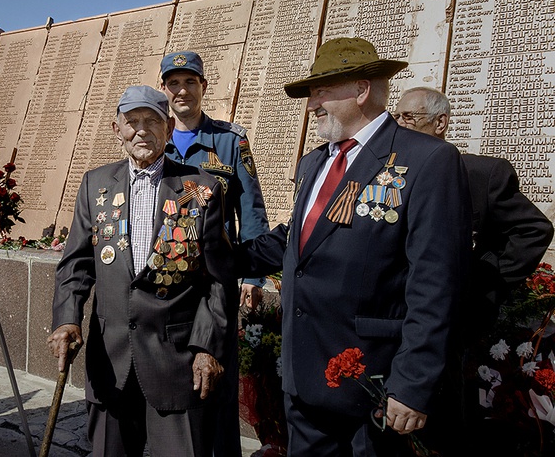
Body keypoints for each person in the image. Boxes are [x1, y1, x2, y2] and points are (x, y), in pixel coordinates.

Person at [236, 37, 472, 456]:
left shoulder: (428, 160)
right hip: (304, 380)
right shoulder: (313, 163)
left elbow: (436, 283)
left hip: (374, 387)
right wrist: (213, 256)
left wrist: (413, 383)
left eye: (322, 91)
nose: (312, 105)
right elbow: (298, 242)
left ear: (362, 90)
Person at [47, 85, 236, 457]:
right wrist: (67, 318)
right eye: (132, 122)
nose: (142, 130)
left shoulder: (200, 188)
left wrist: (205, 347)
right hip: (110, 363)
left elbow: (218, 279)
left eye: (151, 120)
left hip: (178, 362)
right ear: (117, 130)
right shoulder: (95, 185)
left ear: (168, 126)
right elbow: (76, 264)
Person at [395, 86, 554, 453]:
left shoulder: (479, 174)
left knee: (437, 426)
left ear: (441, 124)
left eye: (410, 117)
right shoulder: (388, 172)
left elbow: (533, 231)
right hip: (387, 319)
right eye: (396, 117)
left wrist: (483, 280)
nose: (400, 125)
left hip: (444, 325)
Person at [160, 50, 270, 456]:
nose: (182, 90)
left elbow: (251, 210)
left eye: (190, 82)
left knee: (218, 379)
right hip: (167, 278)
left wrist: (255, 275)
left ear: (203, 87)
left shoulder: (230, 140)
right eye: (174, 83)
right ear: (165, 90)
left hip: (215, 278)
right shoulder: (157, 138)